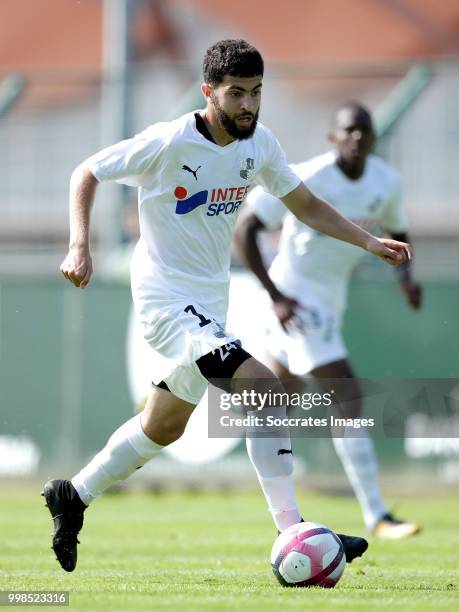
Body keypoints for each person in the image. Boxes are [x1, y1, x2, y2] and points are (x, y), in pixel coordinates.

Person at [42, 41, 412, 572]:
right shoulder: (168, 142)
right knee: (264, 387)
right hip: (166, 302)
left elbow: (303, 204)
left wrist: (369, 242)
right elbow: (86, 172)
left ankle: (72, 496)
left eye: (257, 92)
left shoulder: (258, 144)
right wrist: (80, 244)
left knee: (162, 426)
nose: (248, 105)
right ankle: (296, 532)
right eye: (236, 93)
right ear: (209, 91)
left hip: (208, 306)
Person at [235, 102, 422, 539]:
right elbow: (246, 229)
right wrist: (277, 297)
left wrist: (407, 278)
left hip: (329, 302)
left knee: (277, 404)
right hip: (296, 301)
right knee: (348, 397)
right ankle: (376, 514)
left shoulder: (386, 182)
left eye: (364, 130)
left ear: (374, 138)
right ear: (333, 138)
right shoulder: (309, 176)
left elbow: (400, 230)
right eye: (348, 130)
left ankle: (284, 520)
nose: (357, 137)